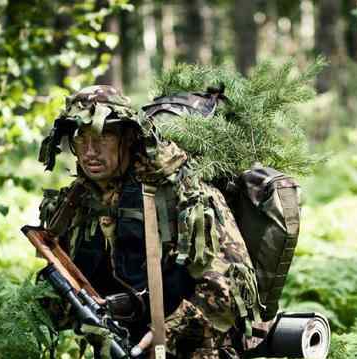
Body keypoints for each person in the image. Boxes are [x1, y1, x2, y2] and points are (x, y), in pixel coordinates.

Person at [37, 85, 261, 359]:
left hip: (194, 348)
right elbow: (58, 307)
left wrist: (167, 332)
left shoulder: (184, 196)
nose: (90, 151)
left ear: (129, 138)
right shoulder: (77, 203)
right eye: (81, 138)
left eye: (103, 136)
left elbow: (226, 292)